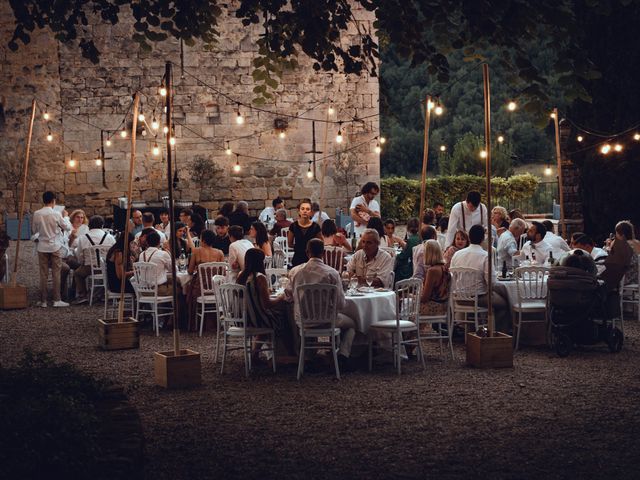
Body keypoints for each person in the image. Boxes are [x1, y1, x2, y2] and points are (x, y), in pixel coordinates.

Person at [284, 239, 357, 368]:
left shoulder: (295, 272)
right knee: (352, 324)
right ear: (323, 253)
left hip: (303, 320)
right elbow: (340, 304)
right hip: (327, 320)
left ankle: (308, 355)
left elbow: (289, 295)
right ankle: (342, 355)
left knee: (298, 315)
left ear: (307, 252)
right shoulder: (332, 273)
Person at [450, 225, 511, 332]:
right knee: (504, 304)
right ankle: (498, 332)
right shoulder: (485, 256)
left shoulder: (457, 254)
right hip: (478, 298)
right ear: (483, 239)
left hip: (458, 297)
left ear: (469, 237)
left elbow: (452, 277)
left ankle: (473, 329)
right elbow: (492, 283)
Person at [237, 248, 294, 358]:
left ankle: (256, 353)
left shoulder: (241, 275)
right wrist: (281, 297)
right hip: (256, 319)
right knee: (282, 317)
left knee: (270, 317)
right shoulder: (259, 277)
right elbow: (267, 304)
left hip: (242, 317)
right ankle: (286, 353)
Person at [32, 191, 71, 307]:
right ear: (53, 201)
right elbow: (67, 227)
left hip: (42, 246)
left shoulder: (37, 213)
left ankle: (43, 301)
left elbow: (34, 230)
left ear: (43, 200)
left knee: (43, 274)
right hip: (54, 246)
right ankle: (56, 299)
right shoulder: (56, 214)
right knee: (56, 273)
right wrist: (66, 217)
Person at [185, 229, 225, 330]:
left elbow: (190, 271)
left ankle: (193, 324)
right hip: (216, 288)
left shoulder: (197, 251)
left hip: (200, 288)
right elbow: (223, 273)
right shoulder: (220, 253)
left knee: (187, 290)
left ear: (202, 240)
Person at [72, 215, 116, 304]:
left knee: (77, 274)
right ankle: (105, 293)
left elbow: (79, 255)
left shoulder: (83, 238)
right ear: (102, 225)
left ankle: (83, 295)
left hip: (89, 267)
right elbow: (114, 253)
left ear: (89, 226)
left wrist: (82, 262)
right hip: (106, 268)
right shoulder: (110, 237)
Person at [420, 240, 450, 316]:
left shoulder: (432, 271)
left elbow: (425, 298)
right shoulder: (444, 268)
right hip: (445, 306)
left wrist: (413, 296)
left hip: (434, 307)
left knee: (406, 305)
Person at [288, 198, 321, 267]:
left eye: (307, 209)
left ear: (311, 212)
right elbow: (290, 243)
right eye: (302, 209)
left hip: (311, 260)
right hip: (297, 259)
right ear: (299, 211)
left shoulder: (316, 227)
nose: (305, 211)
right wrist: (299, 247)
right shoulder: (293, 226)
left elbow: (320, 243)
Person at [139, 230, 174, 296]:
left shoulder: (141, 254)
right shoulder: (163, 254)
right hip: (157, 291)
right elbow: (174, 270)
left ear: (147, 242)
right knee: (178, 289)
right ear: (159, 242)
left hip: (143, 291)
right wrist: (169, 253)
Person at [394, 218, 421, 282]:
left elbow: (404, 256)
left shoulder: (411, 240)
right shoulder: (419, 237)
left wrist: (395, 255)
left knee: (396, 268)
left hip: (412, 268)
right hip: (417, 265)